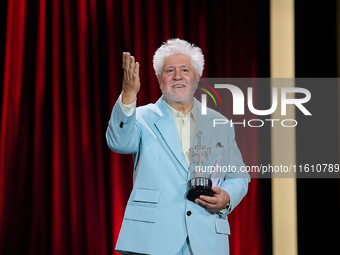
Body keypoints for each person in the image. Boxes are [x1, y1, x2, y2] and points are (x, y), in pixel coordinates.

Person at [106, 38, 250, 255]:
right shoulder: (142, 117)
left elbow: (239, 176)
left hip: (206, 239)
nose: (177, 76)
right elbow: (118, 143)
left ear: (197, 78)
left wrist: (227, 197)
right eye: (169, 70)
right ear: (158, 79)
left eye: (185, 69)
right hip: (153, 239)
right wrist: (128, 95)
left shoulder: (220, 123)